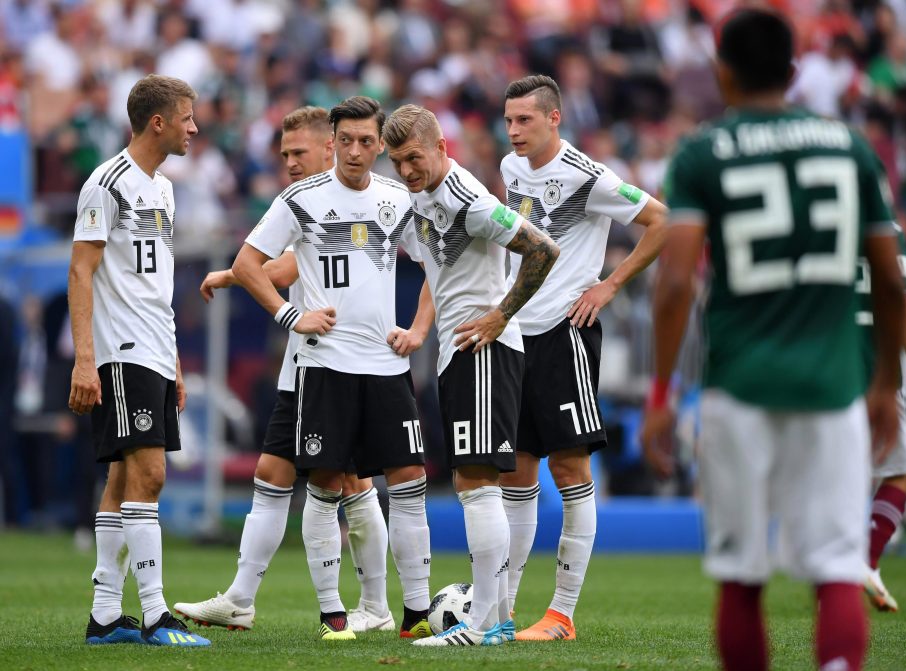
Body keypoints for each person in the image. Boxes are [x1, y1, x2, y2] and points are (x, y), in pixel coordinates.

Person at [641, 9, 906, 671]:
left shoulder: (702, 151)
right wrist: (885, 382)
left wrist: (661, 392)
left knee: (741, 572)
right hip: (833, 382)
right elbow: (889, 278)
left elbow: (674, 285)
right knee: (837, 567)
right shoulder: (849, 148)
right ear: (793, 72)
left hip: (740, 385)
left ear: (721, 70)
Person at [175, 106, 404, 634]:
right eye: (283, 155)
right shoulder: (306, 204)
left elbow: (289, 266)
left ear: (329, 148)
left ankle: (371, 605)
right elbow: (289, 264)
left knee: (351, 480)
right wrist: (237, 277)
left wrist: (244, 281)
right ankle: (241, 598)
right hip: (304, 364)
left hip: (341, 363)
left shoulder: (348, 202)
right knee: (274, 475)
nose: (290, 164)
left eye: (298, 153)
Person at [231, 96, 435, 641]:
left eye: (367, 141)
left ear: (380, 146)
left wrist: (417, 331)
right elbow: (247, 265)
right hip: (326, 366)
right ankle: (332, 615)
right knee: (324, 483)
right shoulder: (300, 199)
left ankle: (415, 613)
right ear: (334, 142)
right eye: (346, 140)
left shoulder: (397, 199)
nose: (355, 150)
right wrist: (290, 314)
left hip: (387, 367)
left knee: (410, 480)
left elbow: (438, 264)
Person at [498, 74, 668, 641]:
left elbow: (660, 220)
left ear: (554, 118)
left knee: (569, 469)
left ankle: (562, 614)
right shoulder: (509, 168)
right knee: (515, 476)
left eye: (525, 119)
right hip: (516, 333)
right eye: (508, 119)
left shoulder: (587, 177)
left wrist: (610, 285)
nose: (514, 130)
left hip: (564, 332)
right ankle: (502, 610)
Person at [383, 104, 560, 647]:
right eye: (398, 162)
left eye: (414, 158)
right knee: (472, 482)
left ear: (442, 147)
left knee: (479, 482)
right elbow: (438, 271)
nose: (407, 171)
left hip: (485, 349)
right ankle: (495, 615)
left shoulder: (469, 199)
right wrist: (418, 329)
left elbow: (542, 249)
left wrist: (501, 313)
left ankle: (485, 623)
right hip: (457, 352)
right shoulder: (422, 199)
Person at [69, 74, 210, 647]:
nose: (194, 127)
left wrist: (173, 360)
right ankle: (155, 615)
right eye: (187, 117)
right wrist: (85, 358)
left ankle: (105, 615)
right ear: (159, 122)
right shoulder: (106, 184)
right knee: (150, 476)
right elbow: (82, 269)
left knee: (125, 476)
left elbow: (155, 283)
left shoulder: (164, 188)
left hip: (154, 347)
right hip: (120, 347)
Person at [859, 225, 906, 612]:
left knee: (843, 472)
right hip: (882, 357)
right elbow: (902, 303)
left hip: (831, 355)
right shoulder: (884, 227)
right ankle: (866, 560)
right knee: (901, 467)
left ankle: (833, 581)